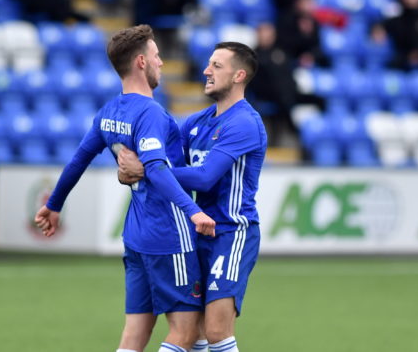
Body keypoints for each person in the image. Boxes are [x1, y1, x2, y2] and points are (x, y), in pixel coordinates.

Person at [34, 25, 216, 352]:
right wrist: (193, 211)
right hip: (168, 233)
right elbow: (157, 169)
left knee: (134, 336)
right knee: (187, 333)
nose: (161, 63)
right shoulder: (151, 113)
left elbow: (78, 160)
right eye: (157, 56)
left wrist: (55, 204)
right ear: (141, 62)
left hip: (135, 235)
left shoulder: (109, 113)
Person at [118, 42, 268, 352]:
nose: (206, 71)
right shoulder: (198, 122)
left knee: (216, 330)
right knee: (194, 331)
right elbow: (161, 154)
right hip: (197, 231)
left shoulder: (244, 123)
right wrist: (127, 166)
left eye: (216, 65)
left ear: (239, 75)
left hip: (231, 231)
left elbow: (204, 177)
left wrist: (145, 170)